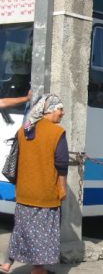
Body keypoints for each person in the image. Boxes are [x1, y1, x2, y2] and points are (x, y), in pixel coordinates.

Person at [0, 94, 69, 274]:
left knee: (21, 229)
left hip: (24, 192)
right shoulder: (57, 132)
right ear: (50, 110)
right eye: (60, 109)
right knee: (43, 234)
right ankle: (38, 269)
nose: (62, 113)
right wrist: (62, 187)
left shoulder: (25, 129)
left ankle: (7, 263)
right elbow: (61, 164)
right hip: (45, 194)